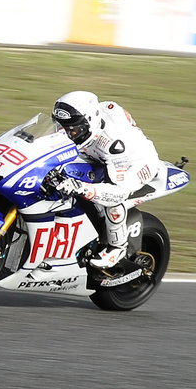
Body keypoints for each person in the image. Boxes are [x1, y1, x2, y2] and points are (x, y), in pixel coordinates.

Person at [47, 90, 167, 270]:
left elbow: (116, 192)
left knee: (112, 198)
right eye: (62, 127)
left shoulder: (112, 144)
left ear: (89, 124)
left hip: (136, 162)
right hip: (96, 153)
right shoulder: (87, 121)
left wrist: (83, 188)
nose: (67, 133)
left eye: (73, 130)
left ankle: (117, 248)